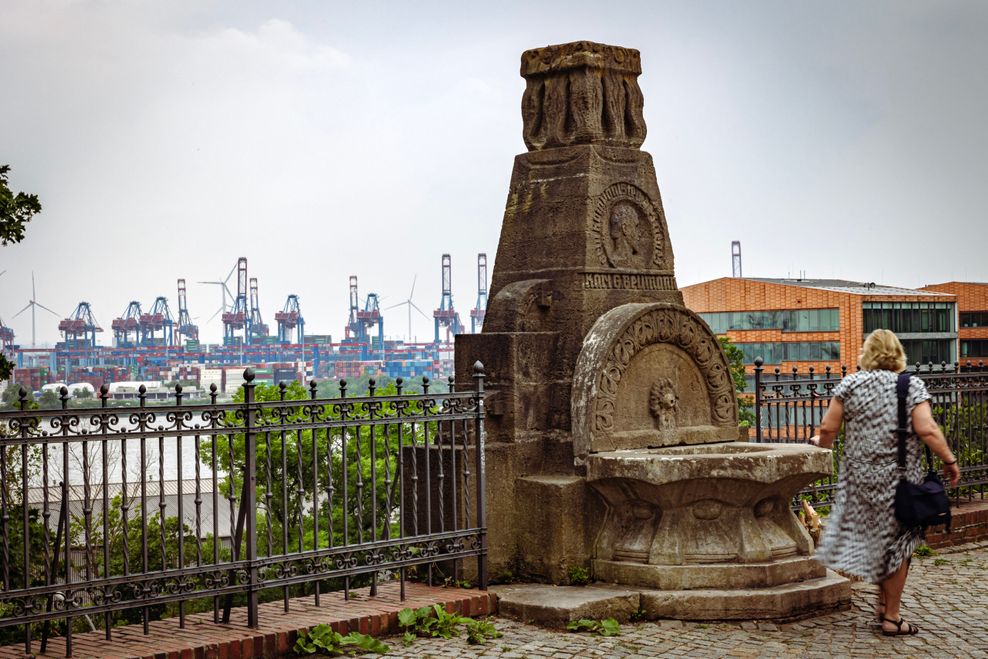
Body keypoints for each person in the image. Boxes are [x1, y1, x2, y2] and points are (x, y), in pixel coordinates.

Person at [809, 329, 960, 637]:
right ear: (897, 353)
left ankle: (881, 604)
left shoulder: (850, 383)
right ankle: (891, 617)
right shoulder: (910, 384)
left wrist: (821, 446)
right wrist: (949, 460)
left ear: (868, 353)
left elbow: (828, 427)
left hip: (859, 482)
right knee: (898, 546)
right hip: (898, 482)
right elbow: (927, 429)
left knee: (878, 544)